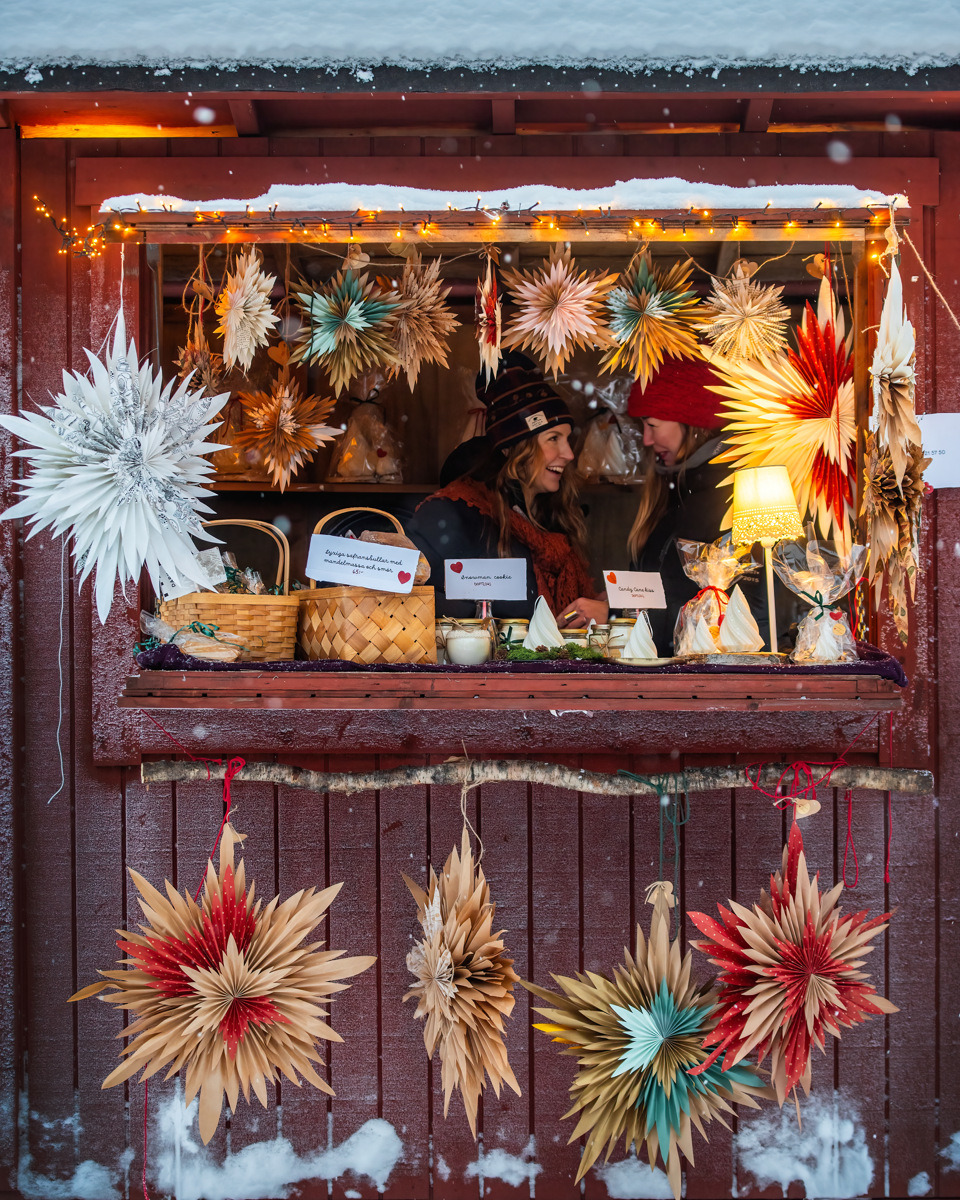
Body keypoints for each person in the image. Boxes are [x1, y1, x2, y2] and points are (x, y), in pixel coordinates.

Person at [406, 358, 607, 625]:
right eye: (553, 439)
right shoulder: (455, 513)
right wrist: (487, 619)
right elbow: (412, 596)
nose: (569, 454)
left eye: (568, 439)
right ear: (514, 448)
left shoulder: (555, 519)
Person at [626, 355, 774, 654]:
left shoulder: (734, 491)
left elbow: (742, 604)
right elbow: (670, 585)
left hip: (715, 676)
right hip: (676, 664)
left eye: (652, 424)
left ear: (690, 421)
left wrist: (620, 614)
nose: (646, 439)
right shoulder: (680, 485)